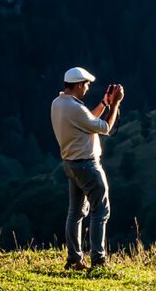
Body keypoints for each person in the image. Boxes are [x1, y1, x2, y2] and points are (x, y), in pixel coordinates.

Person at [50, 66, 125, 271]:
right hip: (87, 165)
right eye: (87, 84)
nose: (88, 88)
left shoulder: (58, 103)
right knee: (100, 211)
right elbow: (104, 128)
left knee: (75, 212)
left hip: (70, 164)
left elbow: (88, 120)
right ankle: (98, 259)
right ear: (79, 85)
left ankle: (74, 257)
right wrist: (115, 103)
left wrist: (104, 103)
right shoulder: (75, 108)